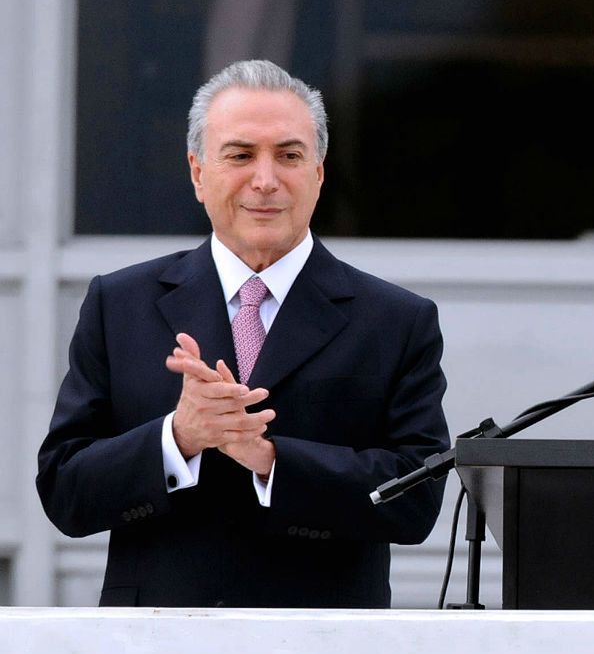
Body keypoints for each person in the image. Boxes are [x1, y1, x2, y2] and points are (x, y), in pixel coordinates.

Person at [37, 59, 451, 608]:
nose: (265, 179)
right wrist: (179, 438)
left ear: (320, 173)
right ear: (197, 172)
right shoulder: (120, 304)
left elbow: (416, 499)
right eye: (239, 155)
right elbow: (65, 492)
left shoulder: (396, 320)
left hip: (325, 639)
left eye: (289, 156)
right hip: (160, 637)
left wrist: (271, 459)